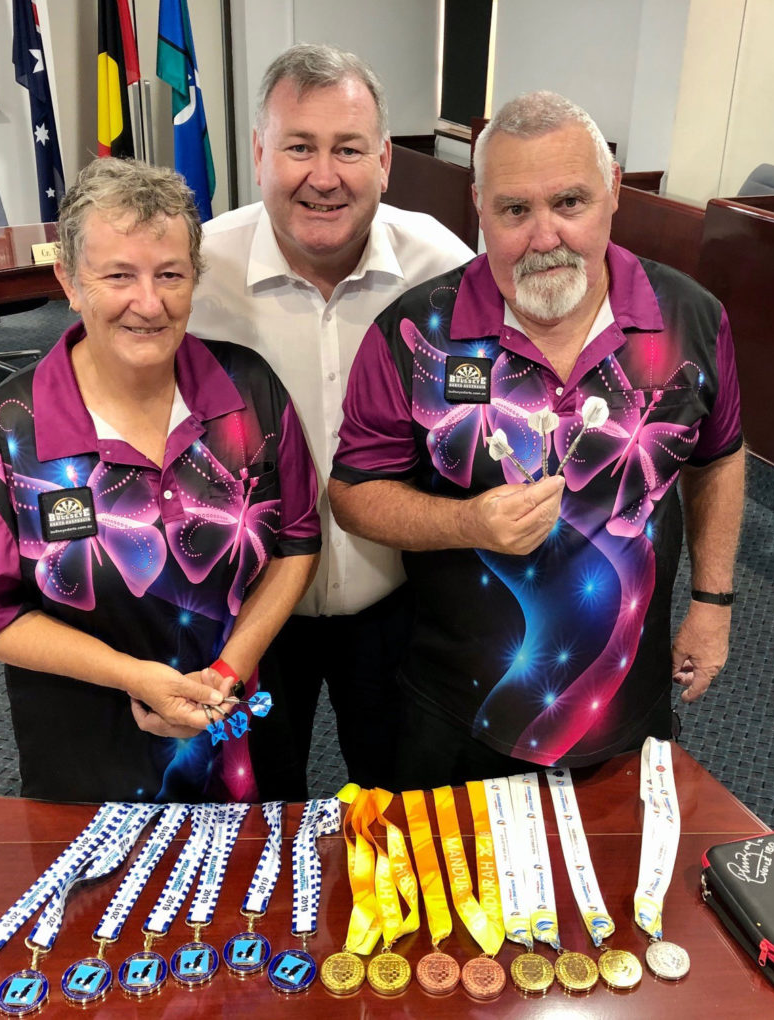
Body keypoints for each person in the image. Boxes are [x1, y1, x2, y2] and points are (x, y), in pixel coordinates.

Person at [329, 91, 745, 791]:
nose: (544, 236)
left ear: (613, 192)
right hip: (457, 710)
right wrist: (466, 521)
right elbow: (353, 495)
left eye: (571, 203)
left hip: (622, 708)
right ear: (480, 206)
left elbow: (719, 456)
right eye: (515, 210)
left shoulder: (690, 320)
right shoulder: (414, 332)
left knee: (614, 896)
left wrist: (713, 603)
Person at [0, 158, 321, 804]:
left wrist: (226, 671)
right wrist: (133, 677)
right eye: (119, 275)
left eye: (170, 274)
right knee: (106, 903)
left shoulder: (248, 392)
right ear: (69, 279)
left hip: (241, 731)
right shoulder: (9, 430)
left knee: (260, 897)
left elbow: (297, 545)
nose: (149, 303)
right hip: (91, 753)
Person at [187, 44, 474, 798]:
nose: (324, 176)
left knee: (399, 795)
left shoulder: (442, 267)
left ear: (385, 160)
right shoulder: (196, 276)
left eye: (348, 149)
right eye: (298, 147)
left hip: (395, 597)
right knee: (254, 806)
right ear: (258, 153)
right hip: (241, 609)